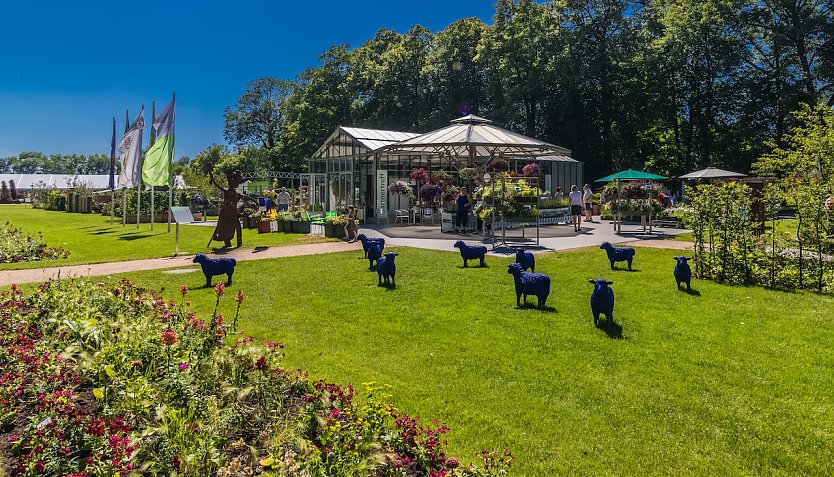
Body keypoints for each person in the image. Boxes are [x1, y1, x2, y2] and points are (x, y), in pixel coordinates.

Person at [210, 170, 257, 248]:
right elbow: (217, 185)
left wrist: (255, 202)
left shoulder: (237, 193)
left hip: (233, 213)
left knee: (237, 227)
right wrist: (211, 176)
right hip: (227, 213)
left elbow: (248, 198)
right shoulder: (227, 192)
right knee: (226, 227)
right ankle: (228, 242)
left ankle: (238, 242)